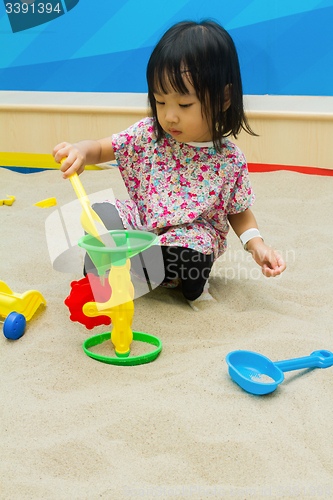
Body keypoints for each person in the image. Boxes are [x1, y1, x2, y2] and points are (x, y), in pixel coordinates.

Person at [53, 20, 286, 311]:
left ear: (224, 98)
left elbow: (238, 212)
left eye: (184, 105)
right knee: (101, 214)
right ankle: (116, 269)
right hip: (144, 224)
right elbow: (103, 147)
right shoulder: (149, 134)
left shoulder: (229, 159)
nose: (169, 116)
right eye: (160, 102)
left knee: (192, 248)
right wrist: (80, 152)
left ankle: (184, 285)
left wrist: (257, 245)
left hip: (189, 237)